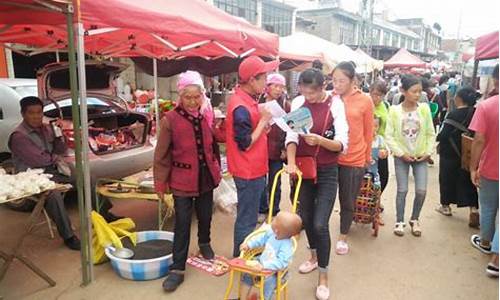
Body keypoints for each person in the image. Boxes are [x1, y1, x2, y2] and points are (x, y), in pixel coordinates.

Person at [154, 71, 222, 292]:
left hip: (205, 177)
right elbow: (161, 155)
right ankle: (177, 268)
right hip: (182, 179)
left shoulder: (204, 117)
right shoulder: (170, 120)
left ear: (202, 96)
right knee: (182, 223)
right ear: (180, 97)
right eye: (187, 97)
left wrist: (217, 169)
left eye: (196, 97)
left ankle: (204, 243)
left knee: (205, 215)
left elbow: (212, 147)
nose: (192, 101)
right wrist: (160, 183)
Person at [285, 68, 349, 300]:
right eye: (304, 92)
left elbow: (342, 144)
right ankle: (313, 257)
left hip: (327, 171)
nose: (308, 98)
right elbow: (291, 137)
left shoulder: (336, 105)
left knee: (321, 224)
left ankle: (324, 276)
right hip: (303, 171)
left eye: (312, 93)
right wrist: (291, 163)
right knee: (307, 219)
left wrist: (321, 140)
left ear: (323, 87)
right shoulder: (299, 103)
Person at [8, 96, 80, 250]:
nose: (36, 116)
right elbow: (39, 161)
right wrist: (55, 157)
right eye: (31, 113)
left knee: (85, 178)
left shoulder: (48, 128)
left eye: (39, 112)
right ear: (23, 114)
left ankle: (105, 214)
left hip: (51, 170)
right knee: (52, 194)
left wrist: (59, 135)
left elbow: (61, 150)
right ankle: (69, 236)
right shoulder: (19, 136)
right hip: (32, 177)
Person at [226, 56, 277, 258]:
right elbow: (245, 143)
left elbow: (251, 135)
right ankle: (242, 260)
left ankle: (243, 257)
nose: (267, 82)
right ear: (252, 80)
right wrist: (263, 121)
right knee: (247, 219)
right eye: (264, 78)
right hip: (247, 170)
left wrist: (263, 125)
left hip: (253, 168)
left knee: (248, 217)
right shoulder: (240, 106)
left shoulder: (246, 101)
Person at [385, 74, 435, 237]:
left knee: (421, 190)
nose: (417, 95)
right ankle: (400, 220)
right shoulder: (394, 111)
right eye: (414, 91)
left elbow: (430, 133)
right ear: (403, 91)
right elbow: (389, 136)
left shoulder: (424, 109)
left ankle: (415, 218)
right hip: (401, 157)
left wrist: (428, 153)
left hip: (420, 156)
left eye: (419, 91)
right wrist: (401, 153)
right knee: (402, 190)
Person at [333, 61, 374, 255]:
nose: (337, 84)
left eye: (341, 81)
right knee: (324, 198)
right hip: (331, 157)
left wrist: (366, 157)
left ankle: (343, 236)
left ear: (352, 80)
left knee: (348, 200)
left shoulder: (364, 100)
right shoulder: (331, 98)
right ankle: (320, 234)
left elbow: (368, 131)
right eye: (334, 80)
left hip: (354, 158)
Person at [435, 86, 479, 227]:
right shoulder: (477, 113)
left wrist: (438, 139)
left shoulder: (453, 114)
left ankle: (446, 207)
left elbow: (443, 135)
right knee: (469, 180)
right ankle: (473, 208)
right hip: (469, 153)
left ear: (459, 98)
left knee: (447, 178)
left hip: (450, 153)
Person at [469, 65, 499, 257]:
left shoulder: (486, 106)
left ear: (495, 80)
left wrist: (473, 167)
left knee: (487, 207)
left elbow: (478, 139)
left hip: (490, 167)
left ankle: (487, 243)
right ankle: (496, 256)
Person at [239, 212, 302, 300]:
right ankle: (242, 297)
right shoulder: (271, 233)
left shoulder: (286, 247)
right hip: (262, 260)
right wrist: (249, 244)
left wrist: (264, 266)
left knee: (268, 285)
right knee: (247, 273)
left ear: (277, 230)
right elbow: (261, 238)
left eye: (275, 219)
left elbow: (281, 263)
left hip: (275, 272)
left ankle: (264, 298)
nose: (273, 219)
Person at [258, 73, 291, 219]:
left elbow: (291, 128)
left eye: (281, 87)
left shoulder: (286, 105)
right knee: (260, 181)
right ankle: (262, 208)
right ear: (268, 86)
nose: (278, 90)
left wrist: (285, 148)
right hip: (260, 148)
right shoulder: (259, 102)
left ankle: (274, 209)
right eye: (275, 86)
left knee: (275, 182)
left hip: (277, 150)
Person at [369, 80, 390, 193]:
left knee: (383, 175)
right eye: (374, 94)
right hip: (368, 145)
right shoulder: (366, 105)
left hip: (381, 144)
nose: (377, 98)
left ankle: (376, 198)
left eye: (380, 95)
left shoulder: (385, 106)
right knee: (367, 175)